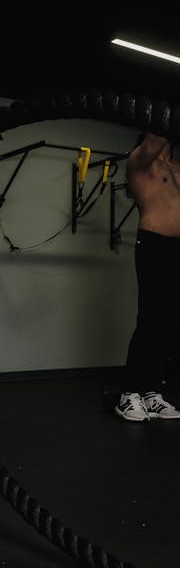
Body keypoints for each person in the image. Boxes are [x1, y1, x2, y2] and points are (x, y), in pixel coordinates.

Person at [115, 131, 180, 422]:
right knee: (152, 318)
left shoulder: (176, 167)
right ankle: (130, 393)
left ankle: (152, 392)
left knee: (170, 321)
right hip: (155, 244)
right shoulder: (139, 161)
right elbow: (155, 139)